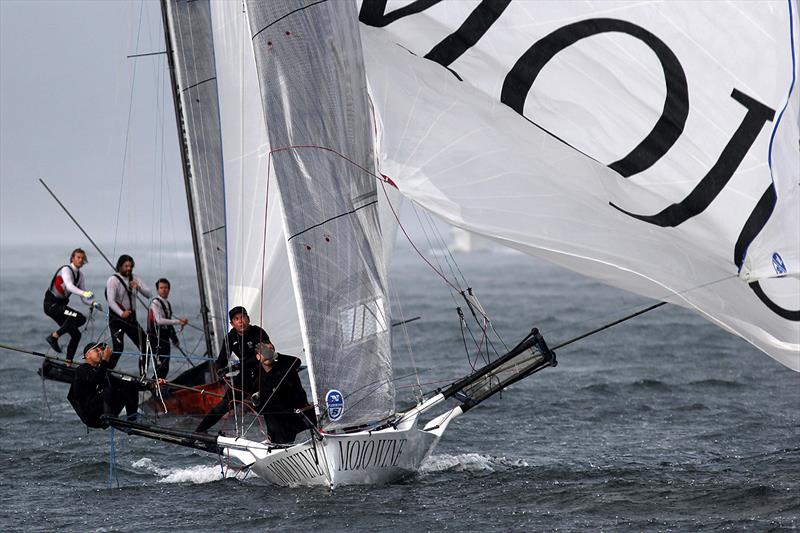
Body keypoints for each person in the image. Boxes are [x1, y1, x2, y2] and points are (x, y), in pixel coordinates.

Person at [195, 306, 271, 433]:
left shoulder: (258, 332)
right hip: (245, 376)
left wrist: (235, 366)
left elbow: (264, 355)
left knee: (269, 405)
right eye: (236, 319)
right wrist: (219, 371)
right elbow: (221, 360)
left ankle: (275, 437)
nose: (241, 321)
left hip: (263, 373)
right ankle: (199, 432)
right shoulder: (231, 337)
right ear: (232, 323)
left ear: (248, 319)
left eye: (243, 318)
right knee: (224, 405)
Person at [43, 248, 101, 362]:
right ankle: (53, 336)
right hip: (51, 305)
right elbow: (69, 286)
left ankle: (68, 362)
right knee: (80, 318)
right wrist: (84, 292)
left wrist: (93, 303)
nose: (81, 260)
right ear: (72, 258)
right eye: (78, 257)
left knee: (76, 335)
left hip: (60, 307)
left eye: (83, 258)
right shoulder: (66, 270)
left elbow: (83, 298)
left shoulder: (80, 276)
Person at [251, 343, 316, 444]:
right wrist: (256, 403)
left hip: (300, 413)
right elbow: (260, 410)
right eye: (264, 351)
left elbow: (297, 361)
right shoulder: (258, 380)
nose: (268, 353)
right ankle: (275, 443)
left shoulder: (286, 367)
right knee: (273, 417)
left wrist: (275, 355)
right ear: (258, 356)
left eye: (271, 350)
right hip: (281, 422)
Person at [66, 342, 142, 428]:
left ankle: (132, 421)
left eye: (100, 350)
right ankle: (108, 416)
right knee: (109, 388)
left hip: (102, 411)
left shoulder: (101, 371)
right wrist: (105, 360)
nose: (100, 352)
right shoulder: (82, 370)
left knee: (129, 385)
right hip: (91, 415)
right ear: (87, 355)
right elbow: (95, 380)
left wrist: (151, 385)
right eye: (96, 350)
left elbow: (120, 383)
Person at [105, 254, 151, 372]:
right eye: (126, 266)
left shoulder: (134, 278)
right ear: (120, 266)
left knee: (146, 346)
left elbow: (149, 294)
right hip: (117, 319)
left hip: (131, 319)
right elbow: (110, 301)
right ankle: (105, 370)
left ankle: (142, 374)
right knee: (118, 349)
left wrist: (138, 286)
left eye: (130, 266)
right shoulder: (113, 280)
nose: (129, 269)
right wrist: (121, 313)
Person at [146, 278, 188, 379]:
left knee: (165, 366)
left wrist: (174, 339)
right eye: (161, 288)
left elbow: (168, 324)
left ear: (169, 289)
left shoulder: (167, 303)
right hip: (156, 338)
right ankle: (155, 387)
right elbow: (159, 320)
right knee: (161, 366)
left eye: (166, 288)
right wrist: (179, 322)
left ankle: (160, 385)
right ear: (157, 290)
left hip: (164, 337)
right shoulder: (155, 302)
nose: (164, 290)